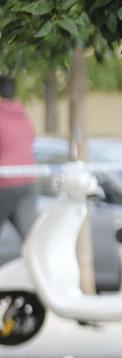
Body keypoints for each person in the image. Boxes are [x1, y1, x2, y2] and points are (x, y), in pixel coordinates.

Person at [0, 74, 38, 242]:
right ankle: (38, 267)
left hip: (4, 182)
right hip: (28, 181)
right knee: (30, 239)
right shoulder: (24, 116)